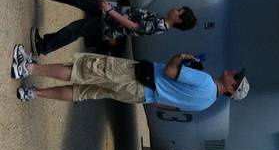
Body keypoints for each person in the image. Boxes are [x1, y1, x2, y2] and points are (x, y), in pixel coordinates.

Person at [11, 46, 250, 109]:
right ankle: (32, 93)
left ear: (230, 90)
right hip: (140, 96)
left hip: (136, 78)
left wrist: (180, 56)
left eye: (235, 78)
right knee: (84, 93)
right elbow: (167, 105)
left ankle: (28, 69)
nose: (232, 73)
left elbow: (169, 71)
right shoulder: (206, 103)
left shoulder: (206, 81)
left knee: (84, 70)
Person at [30, 0, 195, 56]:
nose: (175, 9)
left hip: (108, 23)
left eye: (179, 11)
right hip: (109, 13)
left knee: (76, 28)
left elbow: (134, 26)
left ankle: (44, 46)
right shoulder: (160, 21)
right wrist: (111, 9)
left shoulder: (159, 25)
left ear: (178, 20)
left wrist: (111, 12)